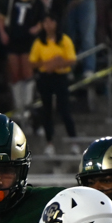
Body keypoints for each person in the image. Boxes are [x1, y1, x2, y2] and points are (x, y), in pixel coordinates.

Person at [29, 11, 76, 153]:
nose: (48, 25)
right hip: (45, 77)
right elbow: (32, 63)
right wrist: (48, 63)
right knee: (46, 110)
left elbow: (72, 59)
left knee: (64, 109)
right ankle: (49, 143)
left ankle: (73, 141)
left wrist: (58, 63)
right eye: (45, 22)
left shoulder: (65, 40)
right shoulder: (39, 42)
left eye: (51, 22)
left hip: (60, 77)